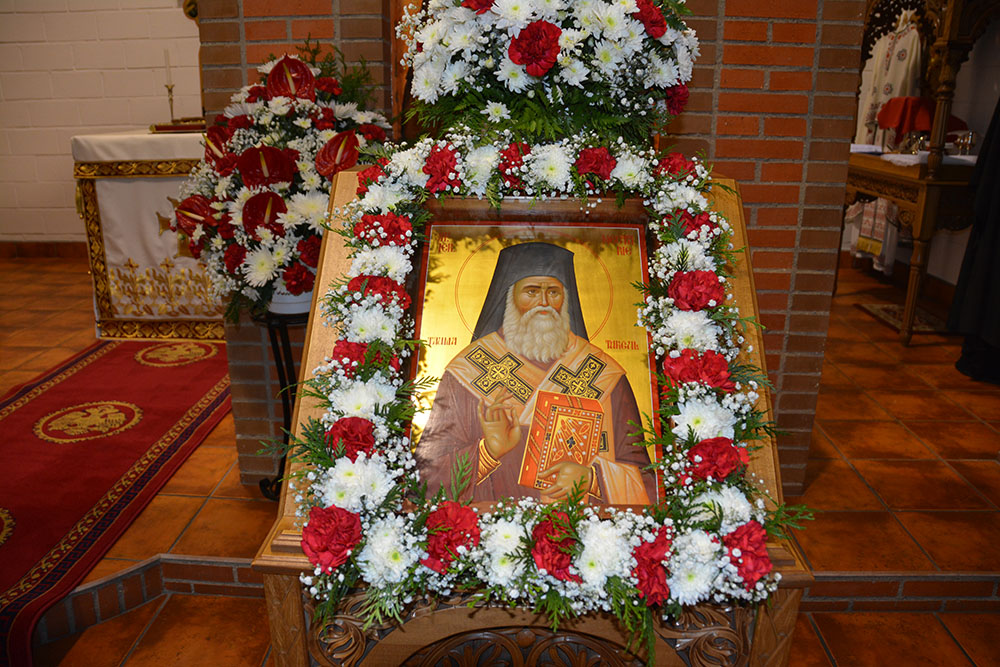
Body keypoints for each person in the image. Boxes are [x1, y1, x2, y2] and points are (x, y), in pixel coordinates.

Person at [416, 242, 656, 504]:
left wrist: (592, 479)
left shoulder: (603, 374)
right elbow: (425, 483)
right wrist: (487, 451)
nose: (544, 303)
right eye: (531, 291)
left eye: (553, 292)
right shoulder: (468, 371)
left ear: (565, 300)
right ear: (509, 298)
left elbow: (648, 485)